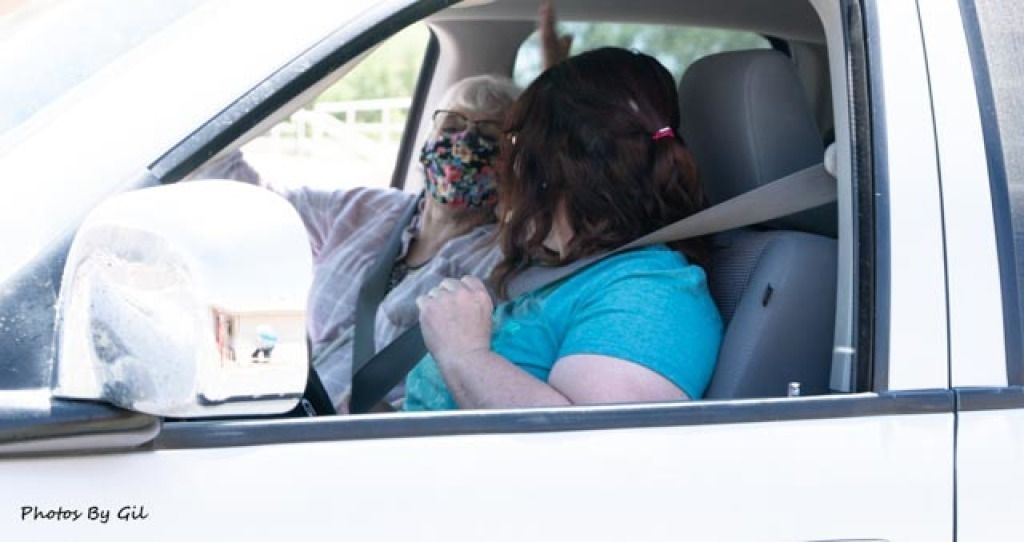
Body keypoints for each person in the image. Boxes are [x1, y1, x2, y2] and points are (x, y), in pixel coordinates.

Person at [406, 47, 724, 411]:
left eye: (510, 142)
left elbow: (586, 449)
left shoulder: (651, 295)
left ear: (549, 164)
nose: (502, 163)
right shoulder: (561, 271)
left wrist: (464, 355)